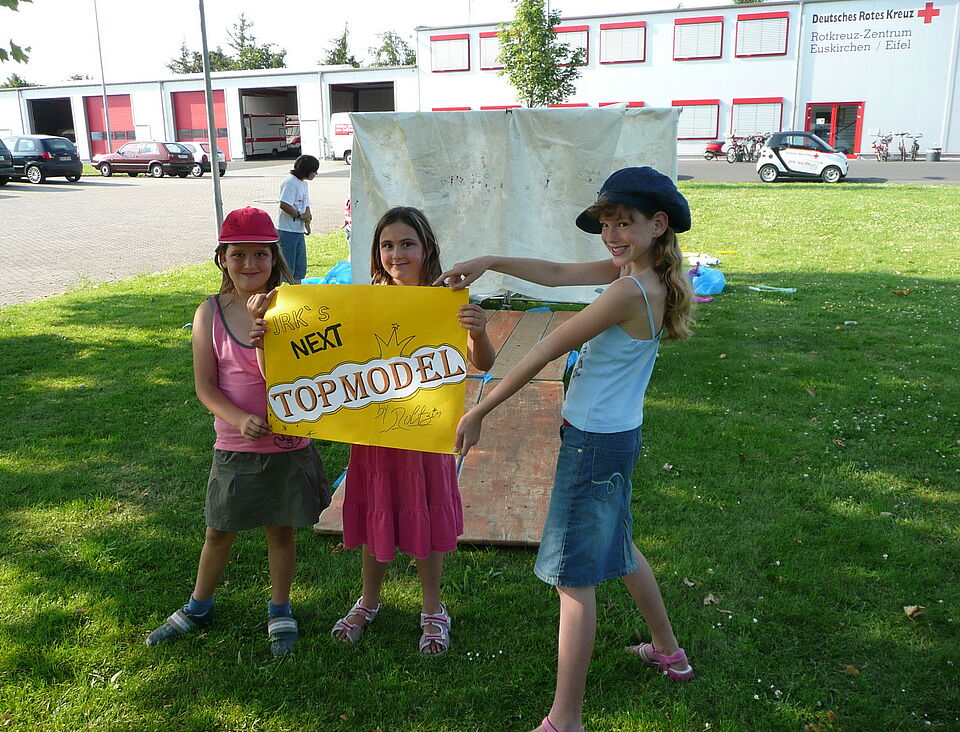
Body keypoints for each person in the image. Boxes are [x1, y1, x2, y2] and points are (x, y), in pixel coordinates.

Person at [435, 167, 695, 732]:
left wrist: (479, 409)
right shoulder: (641, 274)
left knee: (573, 580)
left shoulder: (627, 290)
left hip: (594, 445)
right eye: (606, 224)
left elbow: (546, 350)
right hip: (616, 438)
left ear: (657, 224)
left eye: (623, 223)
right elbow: (555, 274)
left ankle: (565, 720)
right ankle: (668, 651)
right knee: (619, 544)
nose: (611, 236)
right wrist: (490, 261)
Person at [145, 206, 331, 658]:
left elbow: (317, 370)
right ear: (222, 258)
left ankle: (280, 608)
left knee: (281, 532)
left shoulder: (297, 306)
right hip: (235, 446)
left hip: (288, 444)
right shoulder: (208, 313)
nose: (250, 264)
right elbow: (205, 387)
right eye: (239, 254)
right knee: (218, 531)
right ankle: (199, 606)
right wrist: (238, 419)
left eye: (260, 254)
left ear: (274, 257)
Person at [329, 206, 496, 656]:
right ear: (375, 252)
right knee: (375, 512)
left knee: (425, 515)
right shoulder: (363, 302)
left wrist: (478, 332)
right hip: (375, 436)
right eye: (387, 245)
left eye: (407, 244)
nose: (397, 254)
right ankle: (368, 601)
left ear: (427, 249)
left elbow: (483, 363)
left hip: (426, 434)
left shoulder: (447, 301)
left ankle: (432, 608)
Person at [277, 154, 320, 283]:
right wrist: (299, 216)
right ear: (307, 170)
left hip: (298, 231)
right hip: (287, 230)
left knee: (299, 267)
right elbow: (284, 204)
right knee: (286, 267)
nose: (316, 174)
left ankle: (297, 289)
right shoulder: (290, 182)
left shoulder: (303, 183)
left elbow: (306, 204)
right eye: (314, 171)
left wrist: (307, 221)